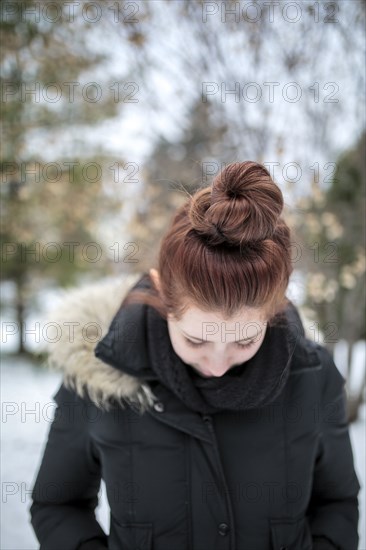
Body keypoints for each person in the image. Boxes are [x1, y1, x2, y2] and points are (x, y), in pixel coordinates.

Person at [29, 161, 360, 550]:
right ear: (162, 298)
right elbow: (57, 504)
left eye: (244, 342)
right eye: (197, 341)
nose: (218, 365)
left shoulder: (313, 377)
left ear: (274, 312)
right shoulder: (98, 374)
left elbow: (337, 504)